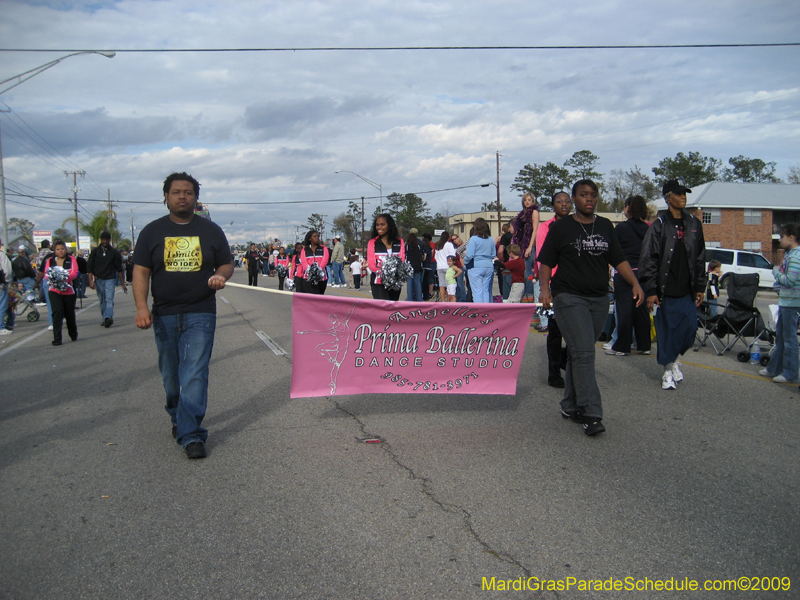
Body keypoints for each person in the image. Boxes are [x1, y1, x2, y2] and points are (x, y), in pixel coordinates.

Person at [133, 172, 233, 459]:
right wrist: (141, 307)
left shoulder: (210, 231)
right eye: (176, 192)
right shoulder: (152, 232)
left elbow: (226, 263)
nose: (182, 197)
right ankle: (177, 414)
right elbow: (141, 271)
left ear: (196, 198)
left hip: (201, 311)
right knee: (170, 376)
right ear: (166, 197)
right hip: (164, 313)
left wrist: (220, 275)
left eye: (188, 192)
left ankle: (191, 435)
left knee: (194, 373)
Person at [538, 180, 645, 436]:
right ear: (574, 198)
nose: (589, 199)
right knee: (585, 353)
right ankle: (591, 413)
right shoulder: (561, 227)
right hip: (568, 297)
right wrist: (544, 289)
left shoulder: (606, 226)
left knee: (578, 353)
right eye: (584, 195)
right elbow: (546, 262)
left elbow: (618, 259)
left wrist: (635, 283)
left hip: (598, 299)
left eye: (593, 195)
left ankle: (569, 405)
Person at [639, 180, 706, 391]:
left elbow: (700, 257)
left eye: (684, 193)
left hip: (687, 288)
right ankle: (668, 370)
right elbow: (648, 259)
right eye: (678, 194)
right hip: (665, 289)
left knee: (690, 329)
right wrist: (651, 290)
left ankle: (674, 359)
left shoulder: (694, 224)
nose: (683, 197)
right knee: (667, 331)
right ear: (668, 198)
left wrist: (700, 286)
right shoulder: (659, 225)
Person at [536, 191, 573, 388]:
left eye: (567, 201)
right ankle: (554, 373)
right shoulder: (546, 227)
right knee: (556, 330)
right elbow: (543, 258)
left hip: (575, 283)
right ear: (553, 206)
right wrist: (546, 286)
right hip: (554, 283)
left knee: (576, 330)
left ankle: (567, 361)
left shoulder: (577, 225)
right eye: (559, 202)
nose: (564, 204)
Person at [607, 196, 651, 356]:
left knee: (624, 310)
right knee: (642, 310)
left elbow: (613, 250)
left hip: (625, 272)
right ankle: (644, 344)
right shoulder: (648, 229)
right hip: (644, 272)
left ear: (628, 208)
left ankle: (622, 346)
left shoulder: (621, 228)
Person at [759, 223, 800, 383]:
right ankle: (774, 368)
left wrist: (776, 272)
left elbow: (790, 280)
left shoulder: (795, 257)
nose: (779, 240)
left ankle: (790, 373)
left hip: (792, 304)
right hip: (786, 302)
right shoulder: (791, 254)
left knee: (789, 339)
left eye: (782, 236)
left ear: (792, 237)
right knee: (781, 338)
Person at [41, 240, 80, 346]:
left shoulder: (71, 259)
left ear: (65, 249)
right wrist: (54, 278)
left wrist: (64, 277)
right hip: (54, 291)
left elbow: (74, 273)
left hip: (68, 292)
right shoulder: (50, 261)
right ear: (55, 251)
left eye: (62, 249)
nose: (60, 251)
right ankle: (57, 338)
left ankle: (73, 333)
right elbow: (46, 274)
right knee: (57, 313)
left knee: (69, 314)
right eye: (58, 249)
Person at [87, 231, 127, 328]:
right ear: (101, 240)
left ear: (109, 240)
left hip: (110, 278)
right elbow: (89, 267)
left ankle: (108, 317)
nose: (105, 241)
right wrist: (91, 281)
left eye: (107, 240)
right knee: (102, 300)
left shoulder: (114, 252)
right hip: (98, 279)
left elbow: (119, 269)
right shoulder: (95, 251)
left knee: (109, 298)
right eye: (103, 239)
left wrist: (123, 283)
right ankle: (104, 317)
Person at [367, 213, 406, 301]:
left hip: (395, 282)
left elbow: (402, 259)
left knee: (393, 307)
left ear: (389, 225)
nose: (379, 227)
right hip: (378, 282)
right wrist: (385, 272)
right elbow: (371, 264)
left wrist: (397, 272)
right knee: (383, 306)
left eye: (382, 224)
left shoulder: (399, 241)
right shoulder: (372, 242)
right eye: (377, 225)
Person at [511, 191, 540, 296]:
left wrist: (530, 247)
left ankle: (529, 294)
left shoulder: (534, 212)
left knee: (527, 271)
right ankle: (523, 294)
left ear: (532, 201)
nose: (527, 202)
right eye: (525, 200)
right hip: (520, 245)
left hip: (528, 245)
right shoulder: (522, 214)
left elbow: (535, 230)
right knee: (521, 270)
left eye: (529, 200)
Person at [464, 218, 496, 303]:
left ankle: (479, 310)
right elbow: (493, 254)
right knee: (486, 291)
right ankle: (486, 309)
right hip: (488, 266)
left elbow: (469, 255)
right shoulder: (491, 239)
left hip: (476, 266)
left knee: (477, 291)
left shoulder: (473, 239)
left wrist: (465, 262)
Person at [296, 230, 329, 294]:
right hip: (308, 277)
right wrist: (310, 271)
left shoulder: (324, 248)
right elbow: (304, 262)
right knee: (311, 296)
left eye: (318, 236)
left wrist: (318, 270)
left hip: (321, 278)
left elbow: (325, 260)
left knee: (319, 296)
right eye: (315, 236)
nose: (317, 238)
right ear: (310, 238)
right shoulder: (304, 250)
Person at [434, 231, 456, 302]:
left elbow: (435, 257)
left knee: (442, 285)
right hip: (447, 267)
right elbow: (453, 255)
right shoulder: (449, 245)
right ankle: (448, 301)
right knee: (449, 285)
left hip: (439, 267)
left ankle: (443, 301)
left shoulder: (438, 245)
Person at [405, 228, 425, 301]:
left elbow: (405, 253)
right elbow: (422, 253)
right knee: (417, 283)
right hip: (418, 265)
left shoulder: (407, 243)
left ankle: (409, 299)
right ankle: (419, 299)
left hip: (409, 265)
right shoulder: (420, 242)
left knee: (409, 283)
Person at [497, 222, 514, 299]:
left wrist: (500, 261)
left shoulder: (505, 236)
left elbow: (500, 251)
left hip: (507, 263)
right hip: (519, 264)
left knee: (506, 287)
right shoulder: (522, 236)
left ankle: (507, 301)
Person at [0, 237, 13, 335]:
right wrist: (7, 281)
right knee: (2, 305)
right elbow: (7, 270)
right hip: (1, 283)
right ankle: (1, 327)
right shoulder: (1, 255)